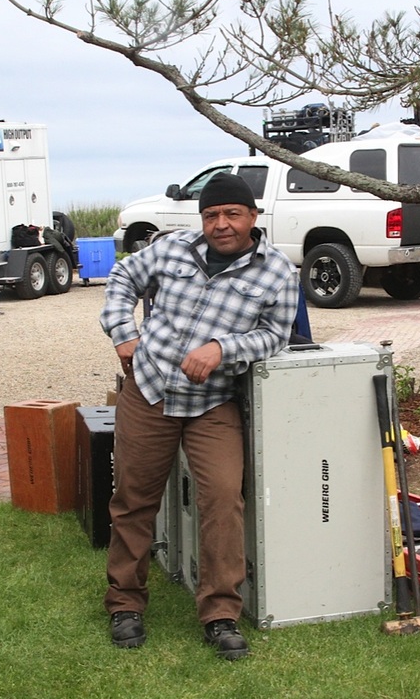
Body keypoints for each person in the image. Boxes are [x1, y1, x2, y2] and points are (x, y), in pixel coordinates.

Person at [99, 172, 298, 660]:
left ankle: (220, 615)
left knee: (223, 500)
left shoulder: (278, 272)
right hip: (149, 391)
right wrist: (123, 332)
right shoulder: (171, 250)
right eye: (211, 215)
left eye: (232, 213)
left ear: (253, 217)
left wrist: (222, 348)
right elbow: (123, 276)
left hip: (212, 403)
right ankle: (125, 603)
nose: (221, 224)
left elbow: (276, 334)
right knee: (133, 499)